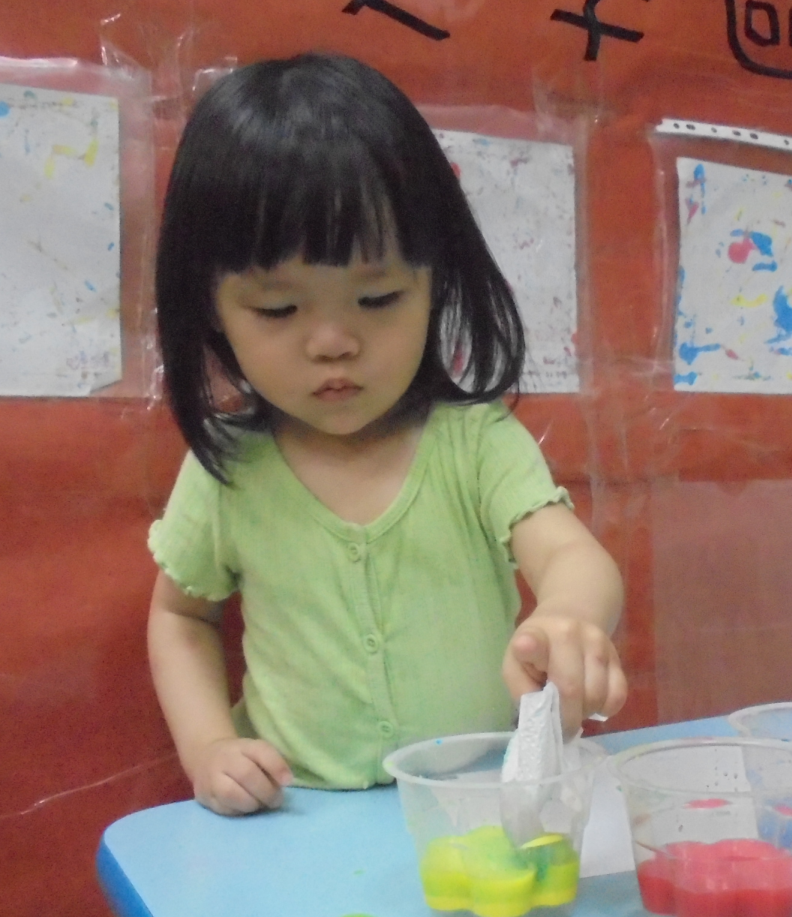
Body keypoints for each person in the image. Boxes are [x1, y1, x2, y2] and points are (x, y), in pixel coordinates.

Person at [145, 53, 626, 816]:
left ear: (436, 284)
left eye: (377, 298)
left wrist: (569, 615)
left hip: (480, 808)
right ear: (210, 309)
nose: (333, 342)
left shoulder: (474, 443)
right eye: (277, 310)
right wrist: (207, 746)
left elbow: (571, 555)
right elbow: (180, 616)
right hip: (301, 814)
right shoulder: (227, 469)